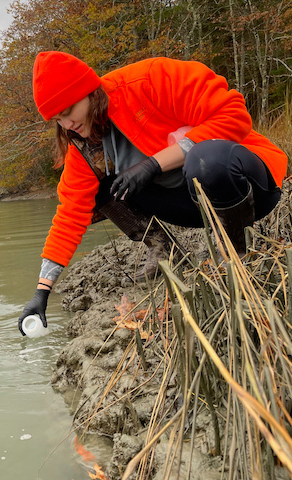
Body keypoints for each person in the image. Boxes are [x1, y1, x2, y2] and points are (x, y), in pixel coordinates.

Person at [18, 51, 288, 335]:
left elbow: (234, 116)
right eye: (58, 119)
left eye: (69, 111)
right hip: (194, 206)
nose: (68, 125)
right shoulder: (83, 151)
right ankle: (164, 250)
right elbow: (69, 216)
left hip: (251, 186)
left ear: (89, 92)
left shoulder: (150, 80)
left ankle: (233, 256)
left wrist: (154, 164)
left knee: (206, 157)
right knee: (100, 188)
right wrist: (41, 292)